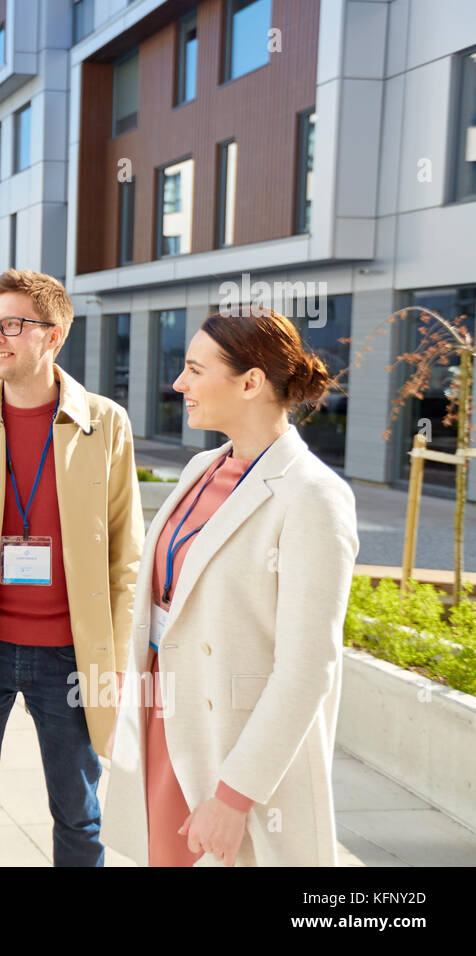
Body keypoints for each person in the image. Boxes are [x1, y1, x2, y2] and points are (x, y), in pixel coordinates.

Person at [102, 307, 358, 867]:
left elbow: (308, 667)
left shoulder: (312, 496)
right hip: (164, 716)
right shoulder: (202, 466)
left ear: (250, 382)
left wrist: (234, 794)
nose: (178, 383)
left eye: (195, 369)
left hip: (231, 738)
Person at [0, 269, 143, 867]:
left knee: (79, 813)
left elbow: (126, 556)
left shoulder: (104, 422)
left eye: (13, 325)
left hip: (71, 651)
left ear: (54, 334)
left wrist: (116, 661)